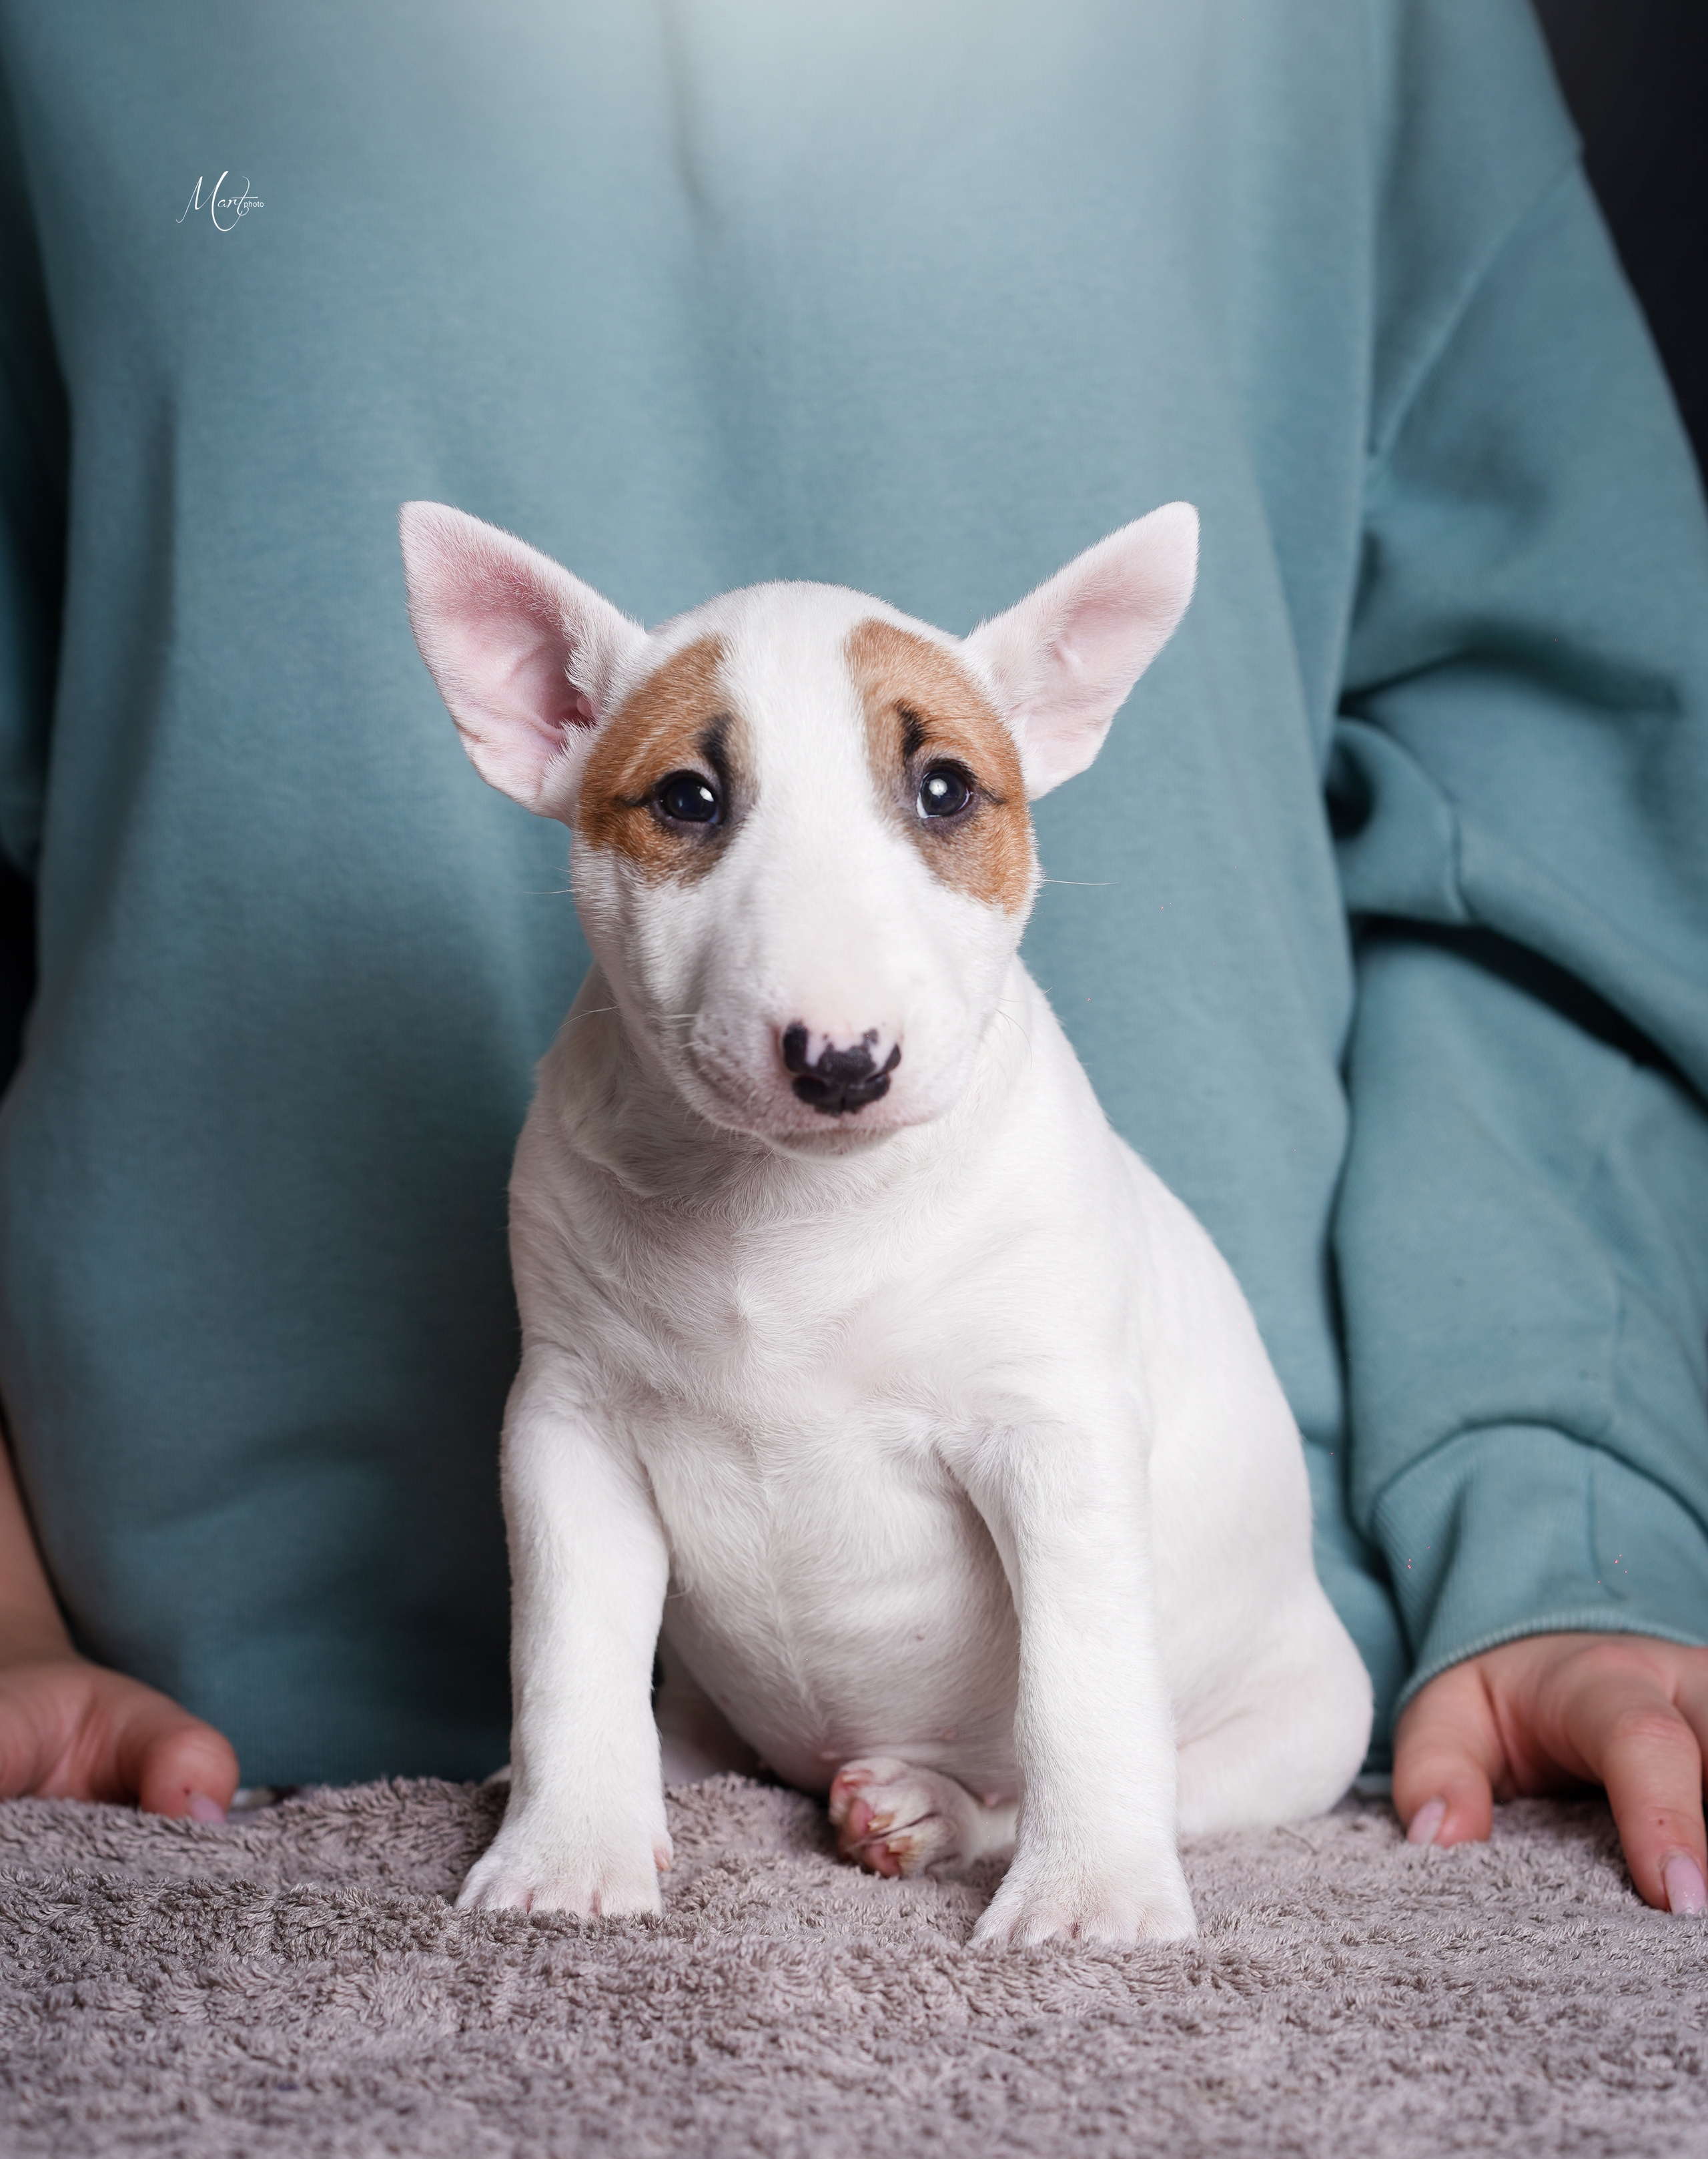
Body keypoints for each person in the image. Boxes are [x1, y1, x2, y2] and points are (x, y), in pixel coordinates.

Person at [0, 0, 1704, 1912]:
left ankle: (1051, 1808)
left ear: (1059, 724)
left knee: (1195, 1638)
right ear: (533, 715)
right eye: (689, 810)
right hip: (158, 1734)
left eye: (944, 797)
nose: (832, 1021)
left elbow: (1566, 796)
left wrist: (1571, 1521)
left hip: (1279, 1720)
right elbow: (583, 1419)